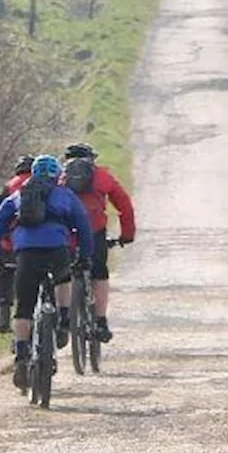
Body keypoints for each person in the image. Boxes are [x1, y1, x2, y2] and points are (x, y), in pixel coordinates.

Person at [0, 154, 93, 392]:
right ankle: (64, 320)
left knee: (24, 307)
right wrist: (84, 257)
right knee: (63, 278)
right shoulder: (65, 194)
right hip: (57, 249)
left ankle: (22, 356)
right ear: (57, 175)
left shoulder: (18, 195)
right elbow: (84, 226)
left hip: (26, 253)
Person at [61, 142, 135, 343]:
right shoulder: (102, 176)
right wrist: (127, 234)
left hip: (67, 234)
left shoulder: (59, 178)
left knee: (61, 273)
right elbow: (124, 205)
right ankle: (101, 320)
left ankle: (61, 316)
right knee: (99, 273)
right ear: (91, 159)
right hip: (94, 232)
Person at [0, 155, 34, 333]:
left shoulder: (10, 186)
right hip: (33, 244)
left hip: (9, 242)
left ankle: (4, 314)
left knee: (3, 271)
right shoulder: (44, 185)